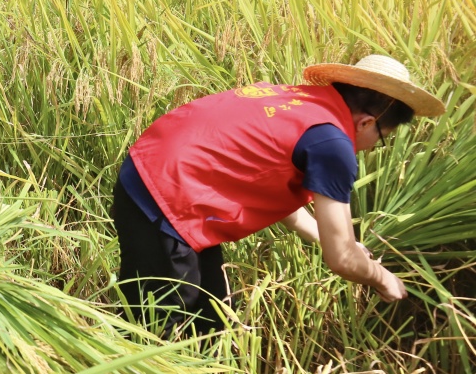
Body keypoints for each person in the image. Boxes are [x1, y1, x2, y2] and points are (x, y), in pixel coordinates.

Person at [111, 54, 445, 334]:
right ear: (366, 123)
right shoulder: (332, 144)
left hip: (161, 172)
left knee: (212, 317)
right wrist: (382, 279)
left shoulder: (302, 103)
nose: (373, 149)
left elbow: (270, 184)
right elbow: (341, 259)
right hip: (163, 197)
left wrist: (340, 242)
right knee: (164, 326)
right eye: (382, 138)